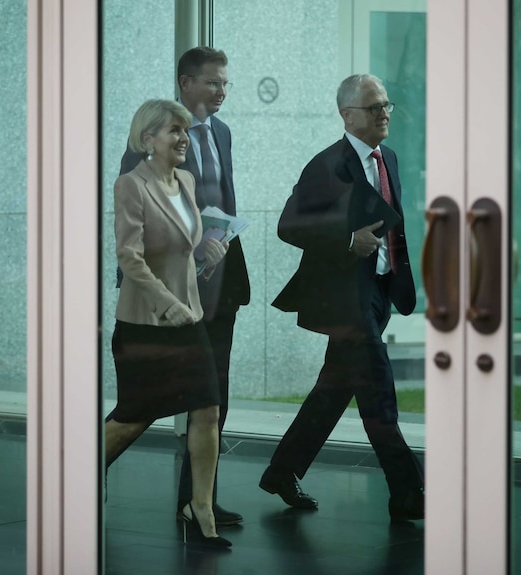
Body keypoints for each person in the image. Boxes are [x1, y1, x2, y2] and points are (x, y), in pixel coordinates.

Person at [261, 74, 425, 522]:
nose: (385, 113)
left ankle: (282, 470)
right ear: (347, 115)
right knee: (378, 393)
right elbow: (288, 226)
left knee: (333, 391)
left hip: (377, 292)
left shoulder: (387, 156)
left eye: (387, 105)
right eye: (374, 107)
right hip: (343, 299)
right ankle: (410, 492)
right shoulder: (326, 166)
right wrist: (345, 239)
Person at [115, 46, 250, 528]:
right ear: (184, 82)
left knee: (213, 397)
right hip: (169, 288)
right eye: (212, 82)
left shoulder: (223, 134)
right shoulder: (151, 141)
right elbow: (138, 223)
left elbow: (222, 202)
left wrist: (224, 244)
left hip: (219, 283)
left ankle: (197, 502)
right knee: (141, 407)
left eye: (225, 84)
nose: (220, 92)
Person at [105, 98, 231, 549]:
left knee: (208, 409)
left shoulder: (187, 181)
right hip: (145, 322)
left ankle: (200, 506)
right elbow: (129, 257)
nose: (184, 138)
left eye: (185, 130)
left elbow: (181, 249)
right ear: (147, 140)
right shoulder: (129, 186)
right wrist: (165, 303)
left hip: (188, 315)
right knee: (133, 418)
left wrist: (206, 259)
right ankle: (79, 475)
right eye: (174, 131)